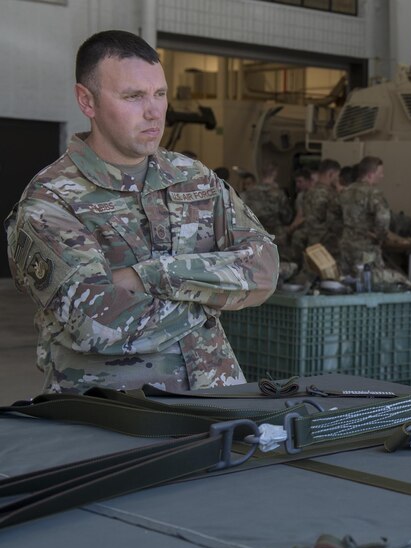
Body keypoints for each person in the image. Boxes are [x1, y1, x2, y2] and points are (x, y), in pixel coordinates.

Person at [4, 30, 279, 395]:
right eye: (133, 96)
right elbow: (95, 323)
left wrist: (146, 276)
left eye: (160, 94)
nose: (153, 112)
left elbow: (263, 268)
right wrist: (210, 304)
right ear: (87, 101)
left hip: (217, 398)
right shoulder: (52, 200)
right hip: (115, 417)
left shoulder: (192, 177)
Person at [338, 156, 391, 276]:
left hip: (345, 247)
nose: (382, 176)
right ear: (371, 174)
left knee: (346, 282)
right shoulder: (373, 193)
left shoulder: (345, 192)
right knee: (368, 283)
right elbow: (384, 218)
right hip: (366, 248)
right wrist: (380, 237)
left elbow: (334, 217)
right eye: (380, 173)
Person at [241, 161, 299, 263]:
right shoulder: (278, 193)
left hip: (255, 235)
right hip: (276, 236)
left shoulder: (249, 193)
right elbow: (287, 217)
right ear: (275, 173)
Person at [301, 158, 343, 259]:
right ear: (331, 174)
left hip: (311, 239)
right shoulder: (330, 194)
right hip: (327, 243)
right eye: (337, 176)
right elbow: (335, 221)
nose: (337, 180)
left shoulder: (309, 192)